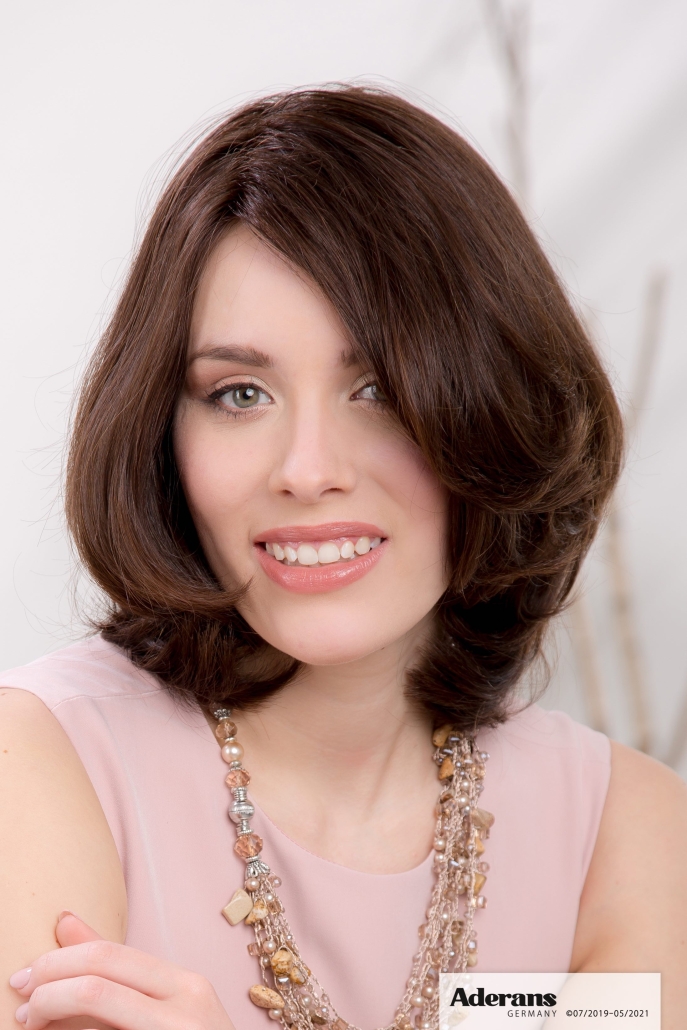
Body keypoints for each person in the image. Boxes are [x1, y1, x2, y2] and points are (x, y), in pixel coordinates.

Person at [1, 85, 685, 1030]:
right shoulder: (38, 763)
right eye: (239, 394)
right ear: (164, 433)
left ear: (494, 411)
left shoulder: (622, 830)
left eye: (378, 389)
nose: (307, 470)